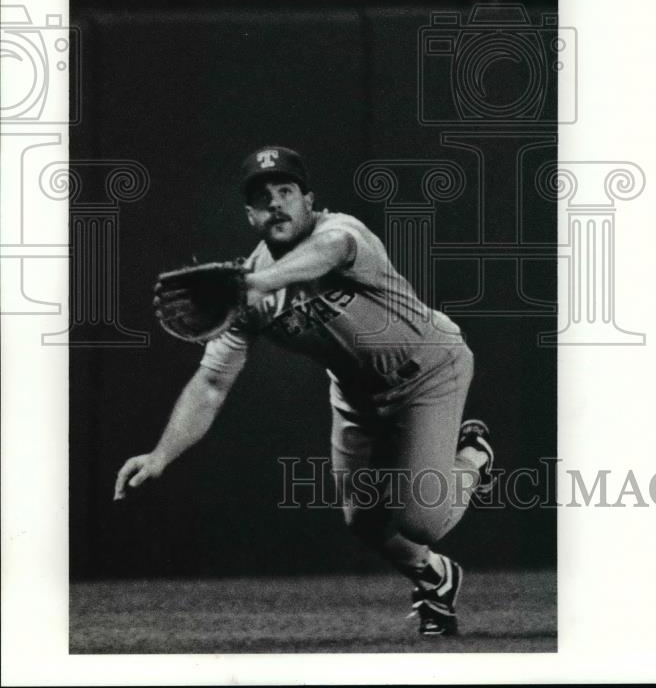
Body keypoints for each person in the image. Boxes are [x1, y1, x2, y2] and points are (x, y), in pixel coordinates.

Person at [114, 146, 494, 637]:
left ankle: (472, 456)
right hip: (356, 397)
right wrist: (160, 455)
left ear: (309, 200)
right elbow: (210, 384)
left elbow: (328, 253)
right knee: (364, 522)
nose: (276, 204)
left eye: (286, 191)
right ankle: (435, 577)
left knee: (422, 521)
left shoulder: (341, 232)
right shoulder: (247, 294)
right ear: (249, 215)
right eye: (262, 197)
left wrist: (258, 282)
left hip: (428, 371)